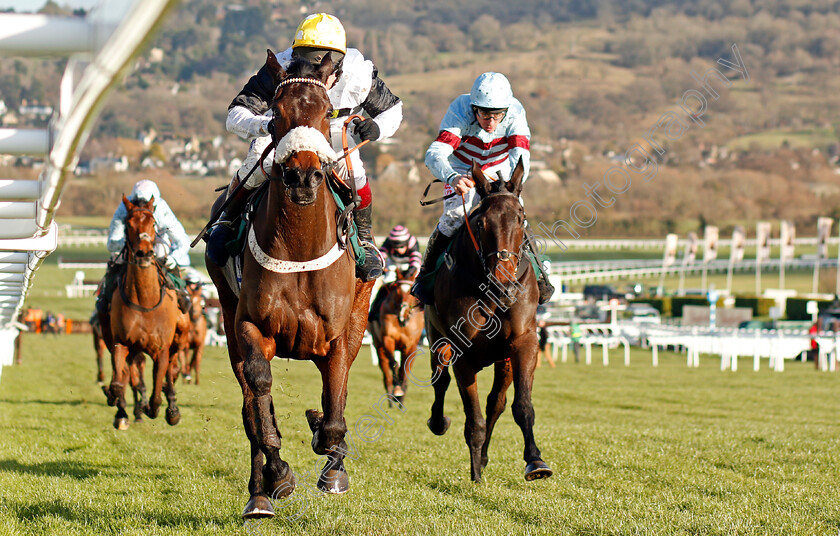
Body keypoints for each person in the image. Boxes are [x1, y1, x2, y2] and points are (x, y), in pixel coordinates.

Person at [206, 12, 403, 282]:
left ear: (339, 60)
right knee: (256, 166)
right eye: (308, 58)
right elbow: (236, 113)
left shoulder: (359, 72)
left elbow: (393, 109)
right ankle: (227, 222)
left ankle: (365, 240)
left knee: (355, 175)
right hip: (285, 126)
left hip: (333, 130)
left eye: (321, 60)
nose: (315, 68)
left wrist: (378, 126)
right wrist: (264, 126)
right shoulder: (280, 66)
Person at [412, 72, 554, 305]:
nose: (491, 123)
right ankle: (425, 275)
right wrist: (452, 177)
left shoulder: (515, 111)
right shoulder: (460, 110)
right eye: (485, 115)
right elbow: (434, 155)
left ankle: (541, 277)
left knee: (516, 218)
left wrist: (512, 187)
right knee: (455, 216)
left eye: (498, 116)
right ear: (474, 108)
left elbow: (521, 158)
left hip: (500, 171)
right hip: (462, 170)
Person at [96, 180, 193, 315]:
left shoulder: (162, 210)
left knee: (160, 253)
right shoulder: (124, 208)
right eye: (138, 203)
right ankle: (105, 296)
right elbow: (112, 243)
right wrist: (130, 245)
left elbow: (183, 241)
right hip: (132, 241)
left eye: (146, 204)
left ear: (153, 203)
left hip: (157, 239)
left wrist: (173, 258)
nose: (141, 206)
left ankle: (181, 293)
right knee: (116, 258)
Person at [368, 225, 422, 321]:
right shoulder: (388, 241)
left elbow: (415, 259)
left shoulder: (412, 241)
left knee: (420, 287)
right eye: (395, 247)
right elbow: (381, 254)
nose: (398, 249)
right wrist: (381, 266)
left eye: (401, 246)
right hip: (393, 265)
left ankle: (423, 315)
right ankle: (373, 313)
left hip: (410, 266)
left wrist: (409, 273)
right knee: (382, 286)